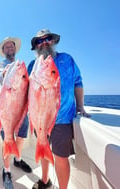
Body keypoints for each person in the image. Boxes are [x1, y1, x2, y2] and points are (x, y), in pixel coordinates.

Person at [28, 29, 91, 189]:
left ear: (53, 41)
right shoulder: (31, 66)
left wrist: (80, 106)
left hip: (62, 118)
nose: (43, 43)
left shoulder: (67, 59)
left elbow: (78, 82)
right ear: (35, 46)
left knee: (60, 157)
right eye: (39, 41)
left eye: (47, 39)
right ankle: (44, 180)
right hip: (38, 117)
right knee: (43, 149)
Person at [0, 37, 32, 189]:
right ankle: (7, 170)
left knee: (22, 137)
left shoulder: (20, 65)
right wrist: (4, 74)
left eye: (12, 46)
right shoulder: (1, 65)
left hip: (22, 109)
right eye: (7, 47)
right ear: (3, 51)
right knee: (7, 139)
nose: (10, 48)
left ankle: (17, 159)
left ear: (15, 49)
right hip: (8, 111)